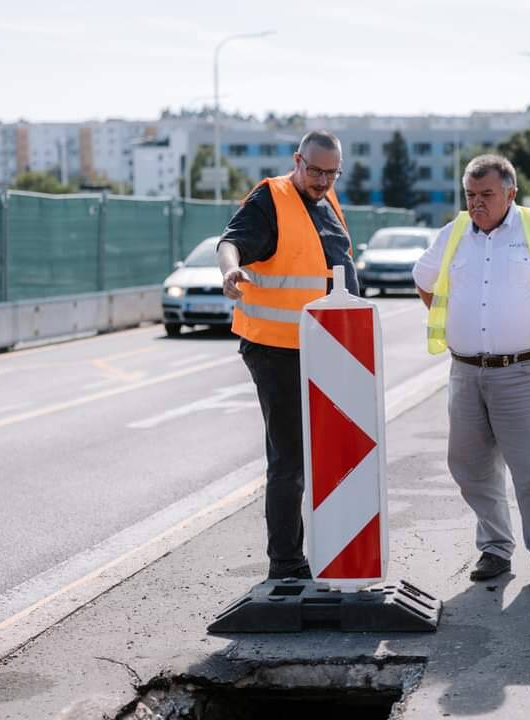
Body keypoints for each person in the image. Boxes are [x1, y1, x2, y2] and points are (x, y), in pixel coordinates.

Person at [413, 154, 530, 589]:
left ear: (510, 193)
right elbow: (424, 280)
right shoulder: (455, 233)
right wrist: (452, 317)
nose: (476, 204)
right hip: (465, 371)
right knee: (469, 465)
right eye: (470, 196)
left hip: (524, 372)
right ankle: (496, 548)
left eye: (486, 195)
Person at [217, 130, 358, 580]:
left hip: (326, 348)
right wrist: (231, 270)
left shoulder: (328, 203)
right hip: (276, 349)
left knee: (331, 453)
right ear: (297, 160)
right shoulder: (270, 199)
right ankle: (286, 563)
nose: (321, 180)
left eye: (331, 173)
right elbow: (229, 241)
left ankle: (331, 551)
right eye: (314, 170)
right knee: (290, 459)